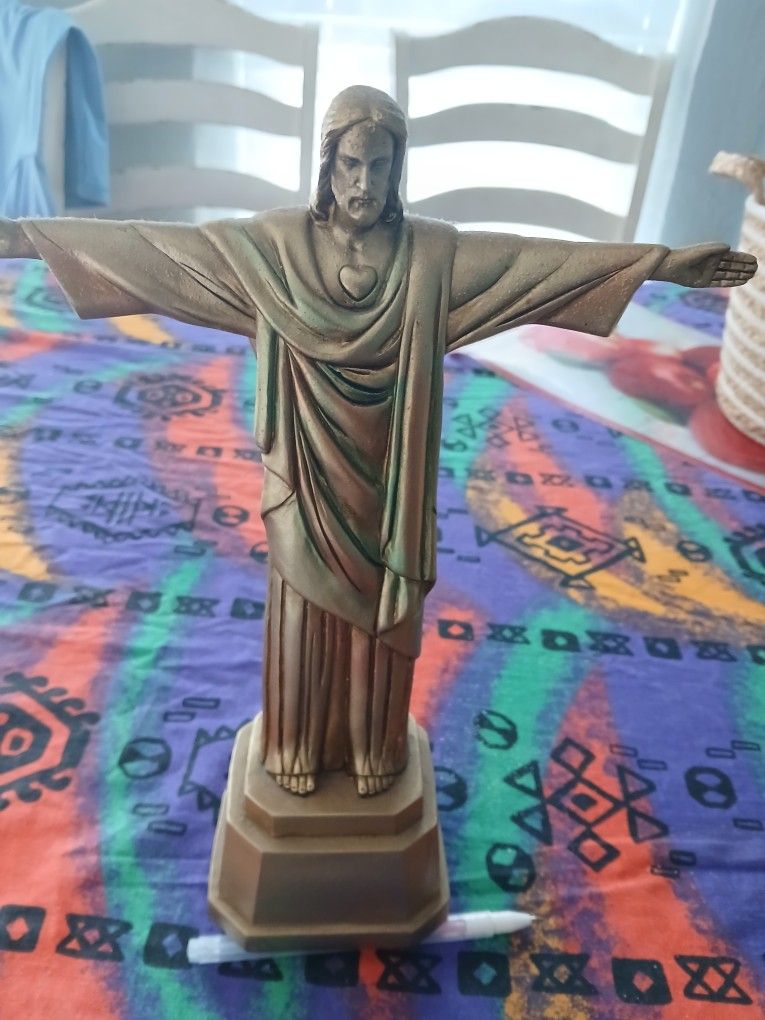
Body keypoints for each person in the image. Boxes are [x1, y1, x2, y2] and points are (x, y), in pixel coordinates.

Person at [0, 86, 756, 797]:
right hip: (305, 474)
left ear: (398, 172)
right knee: (304, 603)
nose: (363, 183)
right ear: (326, 166)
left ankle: (374, 745)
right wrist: (28, 238)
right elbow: (157, 252)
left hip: (391, 479)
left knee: (382, 605)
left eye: (379, 166)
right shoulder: (272, 251)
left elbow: (541, 266)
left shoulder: (429, 259)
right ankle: (295, 742)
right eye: (350, 164)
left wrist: (661, 265)